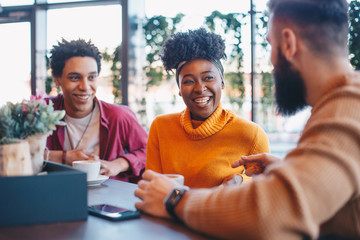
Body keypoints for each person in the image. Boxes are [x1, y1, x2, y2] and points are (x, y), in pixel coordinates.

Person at [135, 0, 360, 239]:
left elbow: (271, 215)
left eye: (270, 45)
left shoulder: (347, 109)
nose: (271, 62)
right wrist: (286, 171)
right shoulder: (339, 104)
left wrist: (176, 199)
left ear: (289, 44)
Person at [145, 28, 270, 188]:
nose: (199, 88)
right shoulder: (161, 127)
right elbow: (152, 186)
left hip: (223, 213)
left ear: (222, 83)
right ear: (179, 89)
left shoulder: (251, 134)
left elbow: (266, 188)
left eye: (208, 78)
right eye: (188, 81)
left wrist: (241, 181)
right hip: (169, 213)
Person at [46, 39, 147, 183]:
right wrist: (63, 157)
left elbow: (149, 151)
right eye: (75, 77)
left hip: (110, 199)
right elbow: (11, 152)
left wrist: (118, 164)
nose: (85, 87)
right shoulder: (40, 113)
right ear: (57, 80)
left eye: (91, 77)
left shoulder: (118, 116)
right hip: (57, 195)